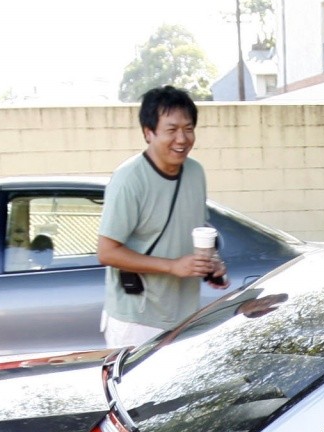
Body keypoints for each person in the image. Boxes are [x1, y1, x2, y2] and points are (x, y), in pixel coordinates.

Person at [96, 85, 227, 348]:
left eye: (188, 128)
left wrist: (211, 264)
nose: (182, 139)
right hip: (136, 321)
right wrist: (172, 266)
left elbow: (193, 229)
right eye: (171, 129)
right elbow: (107, 253)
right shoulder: (129, 179)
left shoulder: (195, 172)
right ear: (149, 132)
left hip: (184, 318)